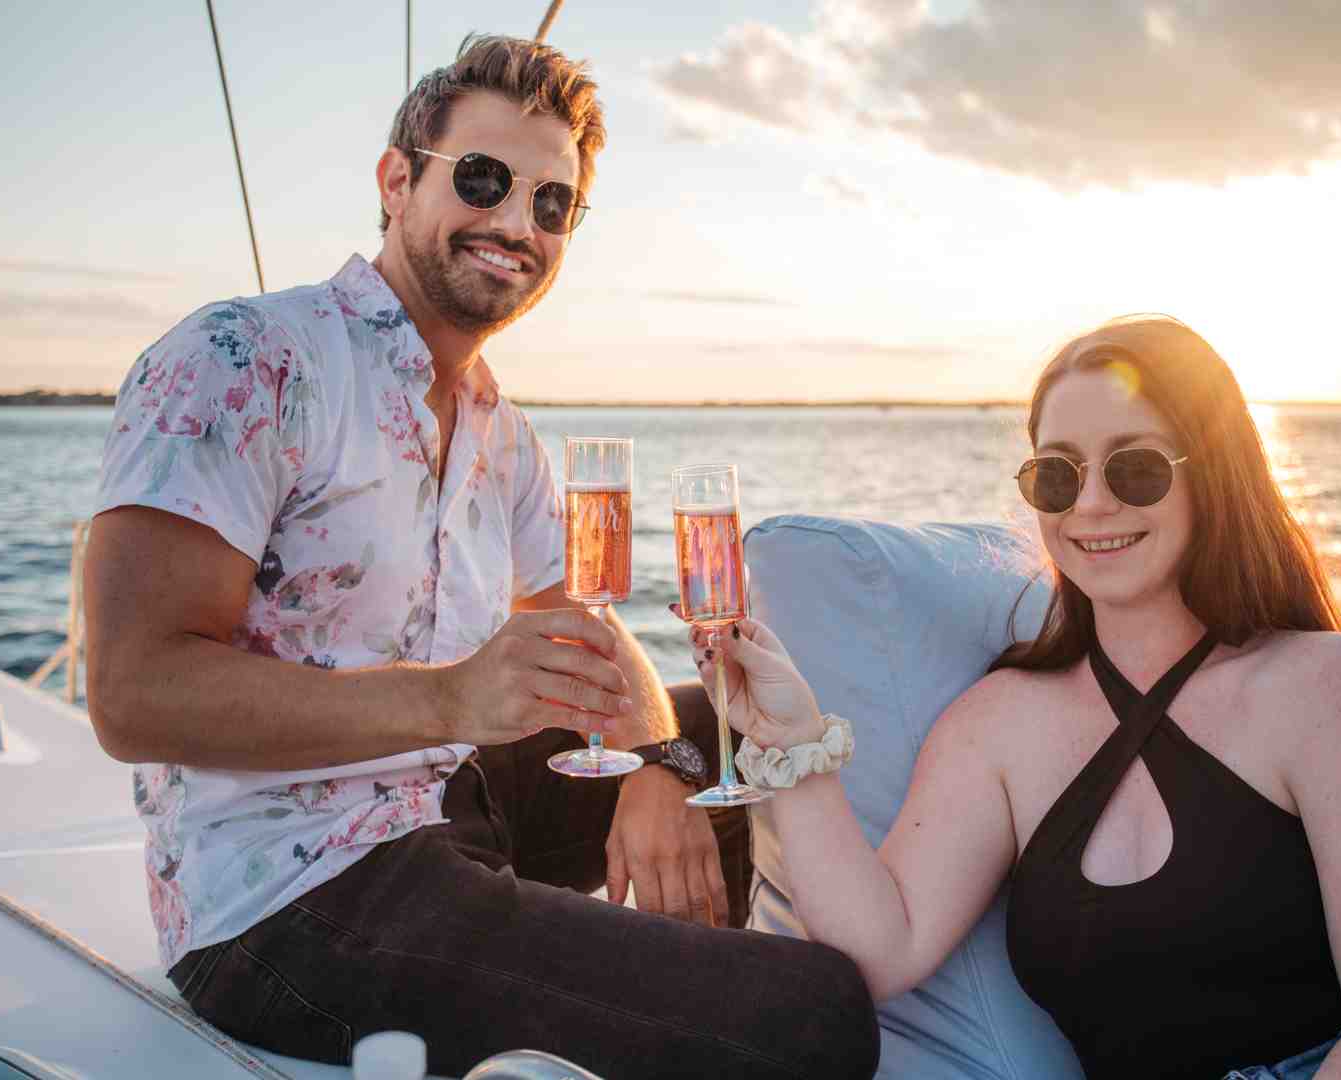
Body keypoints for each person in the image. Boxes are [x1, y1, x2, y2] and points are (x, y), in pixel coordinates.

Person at [83, 35, 877, 1079]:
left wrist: (659, 765)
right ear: (396, 180)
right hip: (286, 902)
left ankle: (659, 998)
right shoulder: (245, 360)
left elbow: (590, 638)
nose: (516, 224)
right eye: (484, 179)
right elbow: (133, 694)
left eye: (552, 203)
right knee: (818, 1016)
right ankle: (701, 1008)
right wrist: (452, 698)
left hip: (457, 804)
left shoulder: (503, 432)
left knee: (729, 743)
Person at [690, 315, 1341, 1078]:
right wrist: (789, 741)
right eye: (1057, 475)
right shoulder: (1002, 723)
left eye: (1136, 468)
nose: (1092, 505)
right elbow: (884, 948)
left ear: (1212, 472)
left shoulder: (1323, 687)